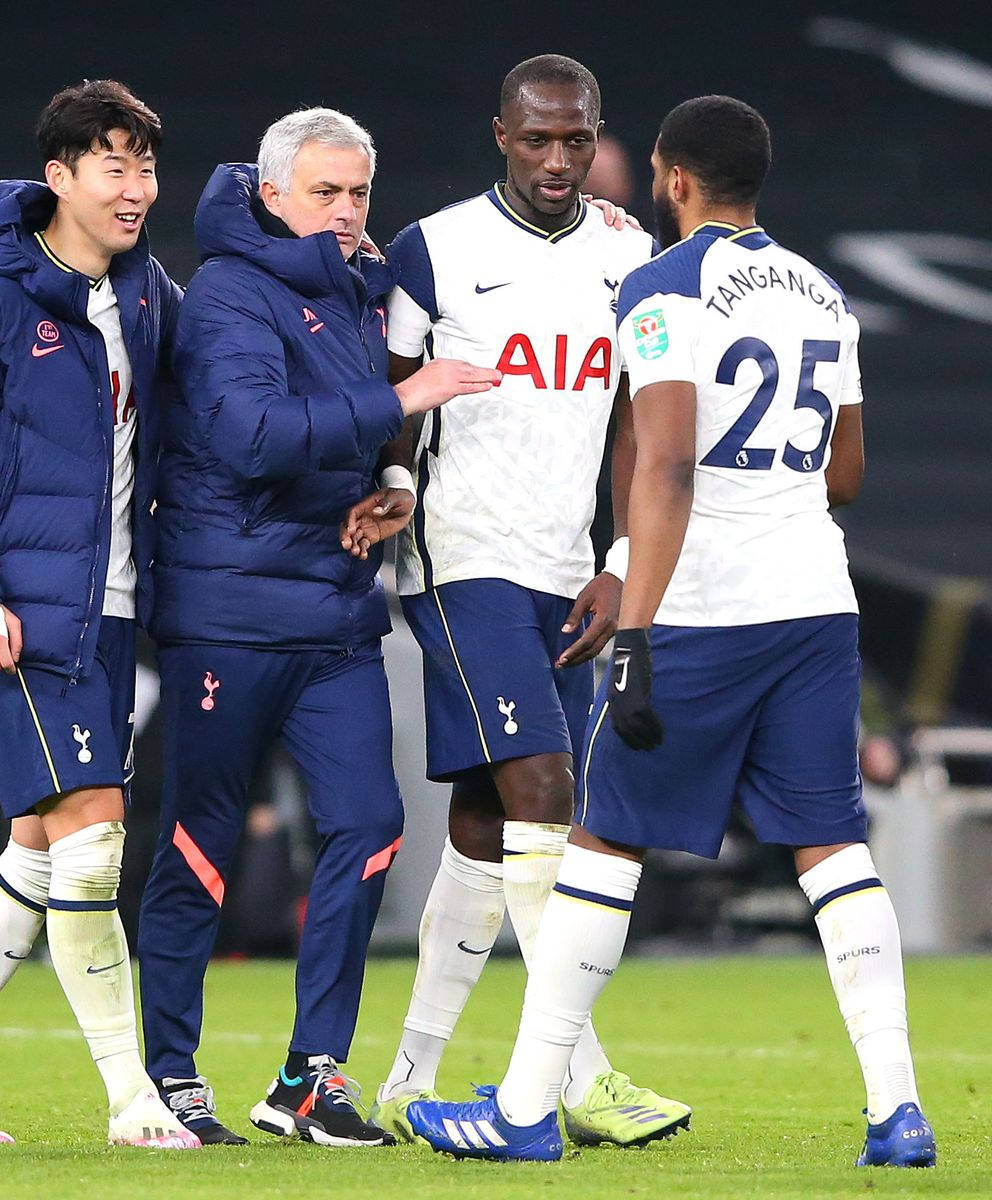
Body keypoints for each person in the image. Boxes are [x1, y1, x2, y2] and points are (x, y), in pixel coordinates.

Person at [407, 95, 936, 1168]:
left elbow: (662, 463)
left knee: (602, 841)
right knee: (832, 844)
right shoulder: (824, 293)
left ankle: (520, 1111)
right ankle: (898, 1110)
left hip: (704, 607)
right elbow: (848, 472)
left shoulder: (661, 287)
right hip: (817, 604)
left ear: (672, 176)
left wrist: (635, 627)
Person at [342, 54, 689, 1148]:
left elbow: (637, 411)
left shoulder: (631, 251)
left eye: (574, 139)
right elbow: (387, 398)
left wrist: (623, 552)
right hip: (460, 558)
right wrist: (393, 484)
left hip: (565, 564)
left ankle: (408, 1074)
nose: (556, 159)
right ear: (501, 134)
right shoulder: (435, 248)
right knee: (545, 789)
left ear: (597, 138)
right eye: (536, 138)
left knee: (489, 823)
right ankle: (575, 1076)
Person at [137, 107, 500, 1148]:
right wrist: (405, 403)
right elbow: (250, 438)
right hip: (229, 615)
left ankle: (310, 1075)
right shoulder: (230, 293)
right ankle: (169, 1073)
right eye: (325, 193)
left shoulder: (353, 291)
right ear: (271, 195)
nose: (345, 214)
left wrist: (389, 480)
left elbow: (354, 427)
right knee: (202, 845)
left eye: (357, 194)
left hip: (336, 611)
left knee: (370, 826)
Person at [0, 80, 196, 1149]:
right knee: (95, 840)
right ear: (56, 178)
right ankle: (131, 1099)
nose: (137, 188)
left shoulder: (146, 291)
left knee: (39, 849)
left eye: (146, 166)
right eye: (113, 165)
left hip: (108, 613)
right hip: (22, 613)